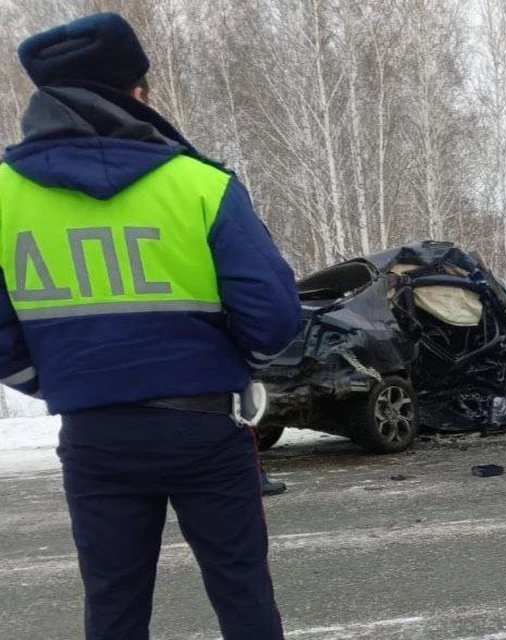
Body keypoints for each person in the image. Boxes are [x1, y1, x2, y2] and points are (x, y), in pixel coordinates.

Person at [0, 13, 301, 640]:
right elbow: (273, 318)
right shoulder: (199, 184)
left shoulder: (5, 197)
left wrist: (65, 380)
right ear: (135, 92)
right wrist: (227, 366)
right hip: (203, 426)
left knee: (112, 604)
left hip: (94, 434)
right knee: (243, 594)